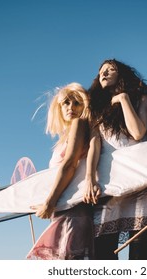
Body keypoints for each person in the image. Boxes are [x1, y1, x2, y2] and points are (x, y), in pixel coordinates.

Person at [87, 59, 147, 260]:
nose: (104, 73)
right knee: (103, 254)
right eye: (101, 71)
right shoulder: (95, 107)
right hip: (108, 183)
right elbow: (95, 145)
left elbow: (138, 132)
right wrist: (90, 179)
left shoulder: (140, 98)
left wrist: (124, 99)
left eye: (110, 70)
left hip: (140, 183)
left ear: (122, 75)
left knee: (139, 255)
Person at [26, 82, 100, 260]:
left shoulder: (79, 124)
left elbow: (70, 164)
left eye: (77, 103)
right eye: (66, 103)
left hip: (73, 211)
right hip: (66, 211)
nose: (71, 107)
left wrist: (49, 203)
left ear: (85, 105)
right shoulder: (64, 136)